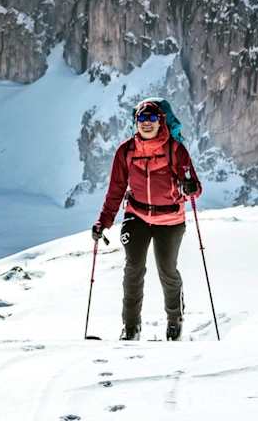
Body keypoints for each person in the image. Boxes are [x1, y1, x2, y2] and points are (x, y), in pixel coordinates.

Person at [92, 99, 202, 341]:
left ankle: (174, 321)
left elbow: (194, 187)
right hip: (136, 215)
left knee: (167, 270)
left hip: (170, 219)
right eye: (142, 119)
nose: (147, 123)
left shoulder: (175, 149)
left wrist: (191, 188)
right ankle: (131, 327)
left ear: (161, 121)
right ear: (136, 122)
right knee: (133, 269)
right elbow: (115, 190)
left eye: (152, 118)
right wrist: (103, 222)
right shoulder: (126, 151)